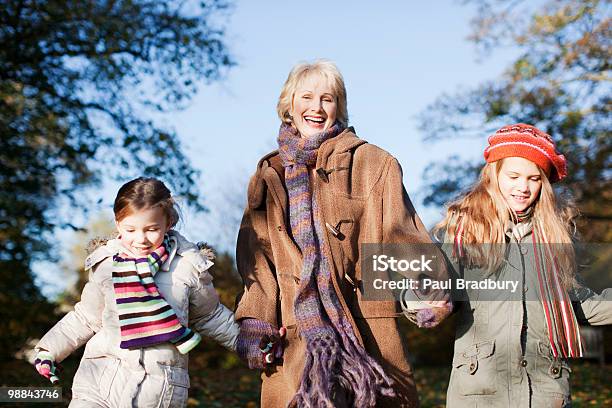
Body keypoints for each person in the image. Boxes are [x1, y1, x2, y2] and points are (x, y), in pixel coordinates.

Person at [234, 60, 452, 408]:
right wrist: (256, 320)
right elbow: (258, 260)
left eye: (328, 98)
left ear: (340, 106)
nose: (317, 107)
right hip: (294, 338)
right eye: (306, 97)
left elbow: (401, 232)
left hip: (367, 334)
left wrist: (427, 287)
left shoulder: (374, 163)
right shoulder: (269, 173)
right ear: (289, 105)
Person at [434, 124, 612, 407]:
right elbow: (434, 286)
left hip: (544, 391)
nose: (523, 187)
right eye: (514, 176)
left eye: (533, 179)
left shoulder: (557, 238)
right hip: (481, 392)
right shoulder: (465, 231)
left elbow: (579, 304)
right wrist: (422, 300)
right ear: (494, 177)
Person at [33, 177, 239, 407]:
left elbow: (210, 316)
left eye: (151, 229)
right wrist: (48, 350)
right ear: (118, 223)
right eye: (130, 229)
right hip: (98, 382)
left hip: (156, 391)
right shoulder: (107, 264)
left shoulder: (188, 267)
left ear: (168, 222)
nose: (140, 239)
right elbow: (85, 317)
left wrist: (250, 343)